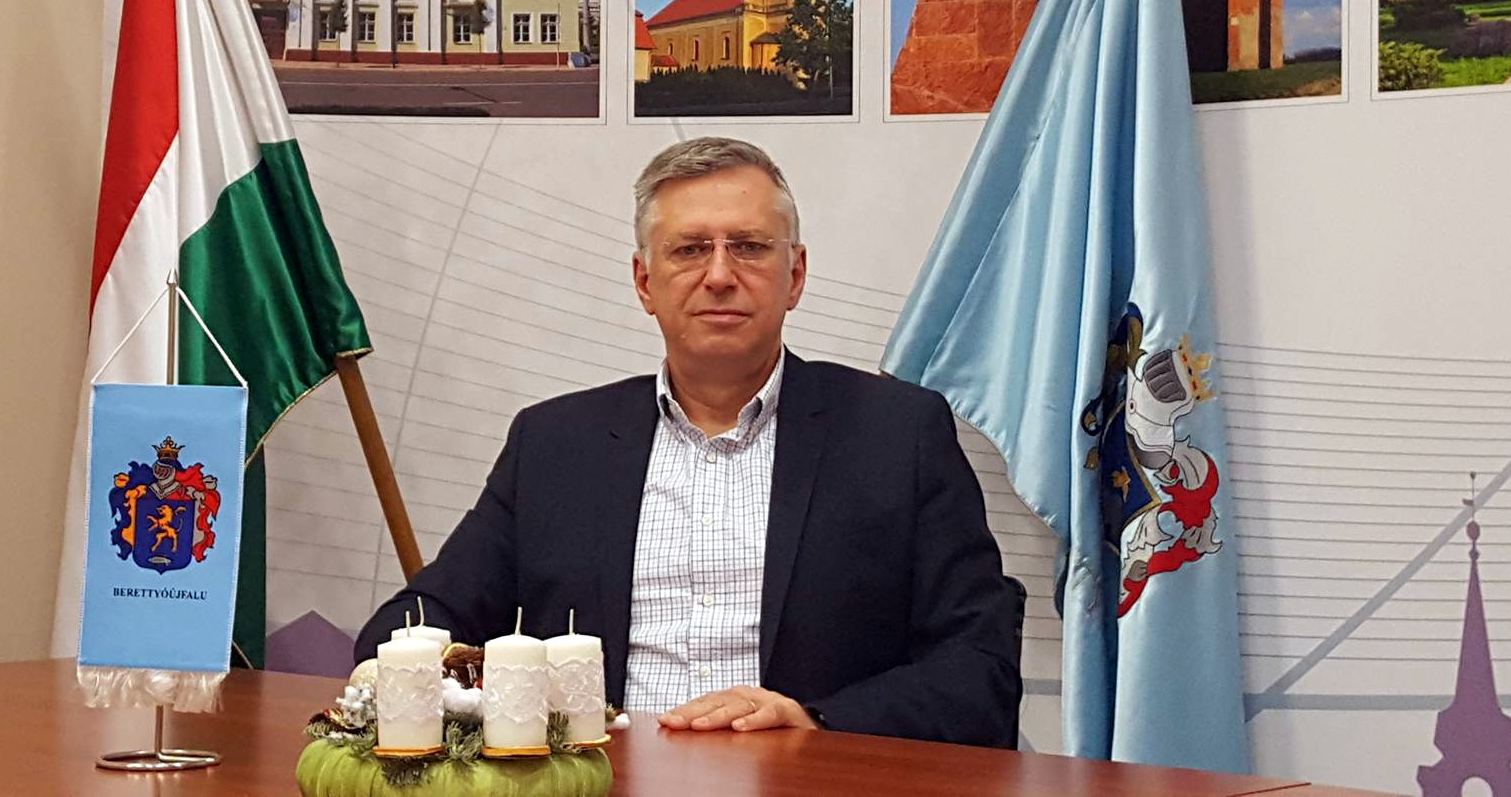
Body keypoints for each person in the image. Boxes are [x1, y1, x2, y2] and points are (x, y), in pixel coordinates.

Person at [355, 137, 1021, 748]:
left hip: (808, 780)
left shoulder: (898, 435)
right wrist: (501, 706)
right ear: (645, 281)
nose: (721, 275)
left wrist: (814, 721)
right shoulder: (555, 444)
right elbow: (415, 625)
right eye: (690, 249)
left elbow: (979, 668)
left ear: (795, 275)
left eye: (750, 247)